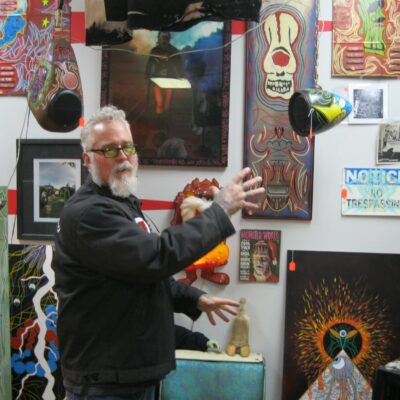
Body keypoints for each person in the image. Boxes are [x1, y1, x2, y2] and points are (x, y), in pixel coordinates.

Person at [54, 105, 265, 400]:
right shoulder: (88, 213)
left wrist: (193, 298)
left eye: (128, 147)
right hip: (105, 384)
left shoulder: (123, 204)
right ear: (87, 159)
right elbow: (154, 257)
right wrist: (219, 211)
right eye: (110, 149)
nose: (123, 156)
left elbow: (139, 273)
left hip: (129, 376)